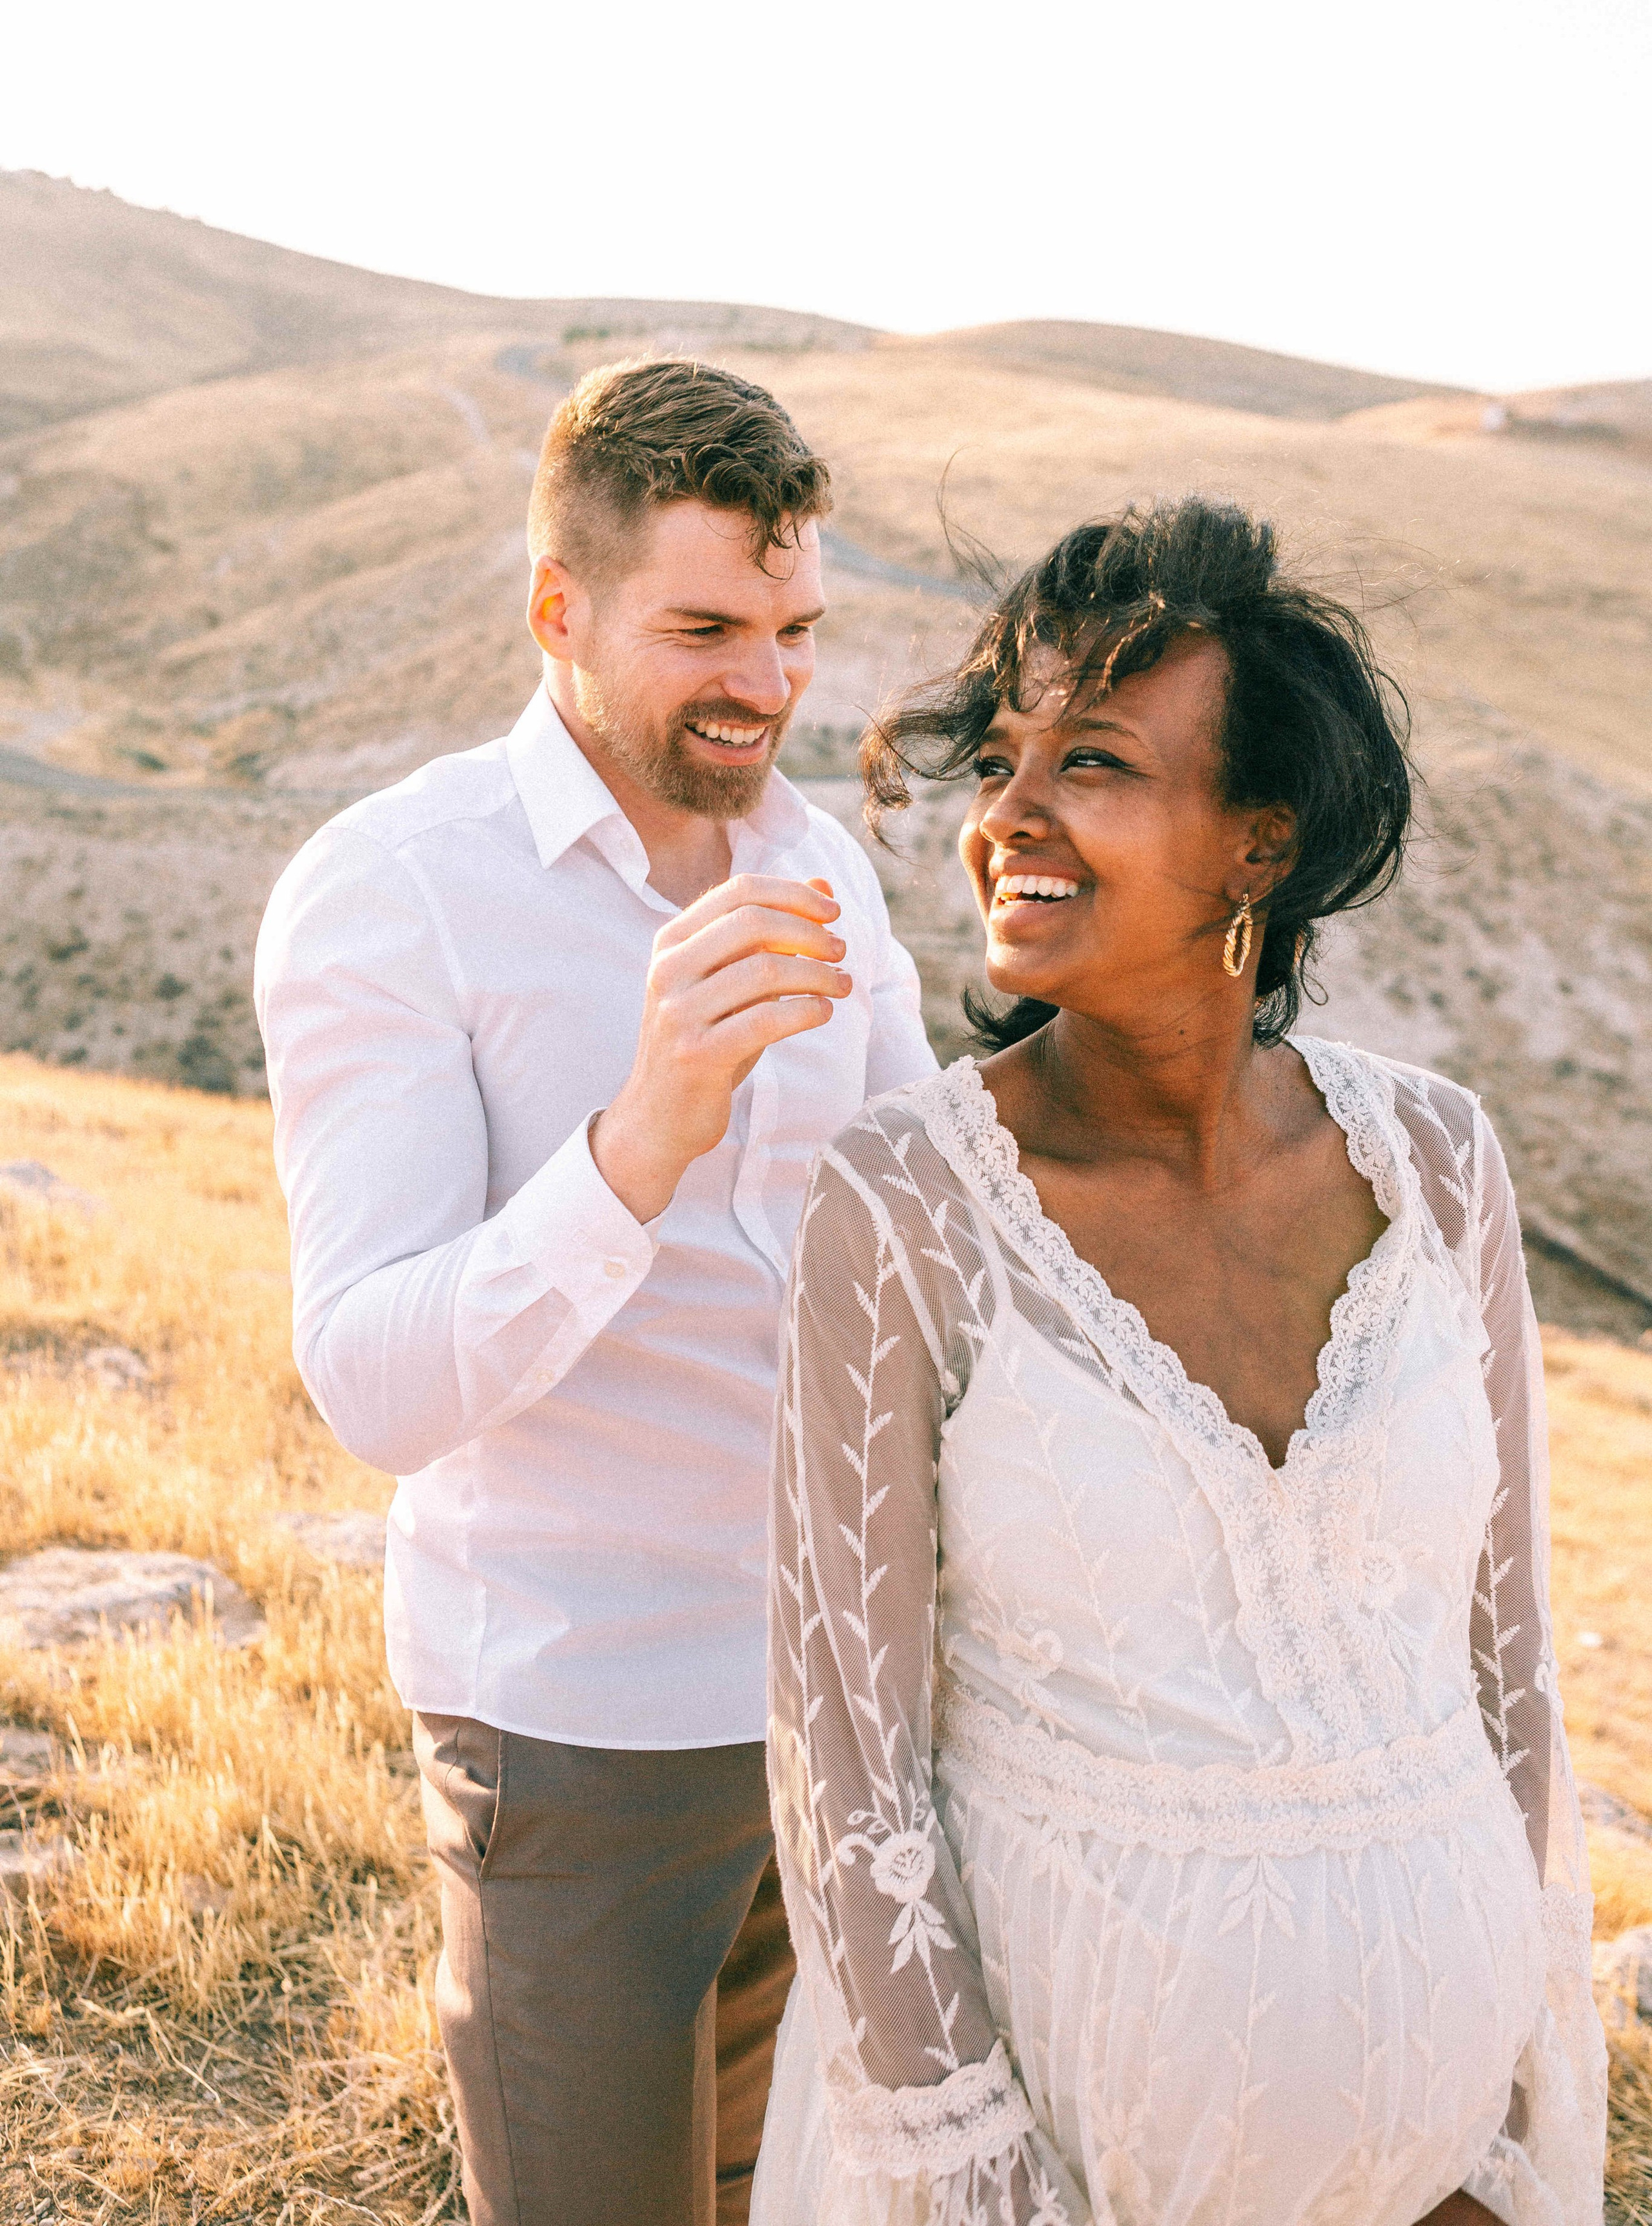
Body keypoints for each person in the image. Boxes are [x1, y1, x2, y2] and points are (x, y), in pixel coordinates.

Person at [756, 500, 1606, 2226]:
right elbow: (845, 1760)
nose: (1010, 815)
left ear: (1258, 846)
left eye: (1094, 762)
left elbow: (1506, 1671)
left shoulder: (1438, 1163)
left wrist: (1509, 2136)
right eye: (1002, 761)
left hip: (1446, 2180)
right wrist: (985, 2193)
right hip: (1059, 2180)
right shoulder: (907, 1200)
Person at [254, 358, 936, 2226]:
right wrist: (641, 1140)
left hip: (842, 1704)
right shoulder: (396, 889)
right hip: (576, 1727)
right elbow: (373, 1384)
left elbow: (920, 1230)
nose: (768, 684)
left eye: (796, 630)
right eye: (705, 630)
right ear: (557, 608)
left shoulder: (823, 866)